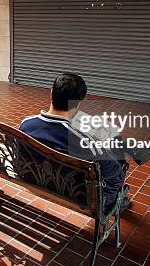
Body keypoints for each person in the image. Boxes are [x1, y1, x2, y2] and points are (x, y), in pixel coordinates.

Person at [19, 73, 128, 208]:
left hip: (33, 179)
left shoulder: (25, 124)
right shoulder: (83, 141)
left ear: (51, 94)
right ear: (78, 104)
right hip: (78, 195)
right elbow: (114, 174)